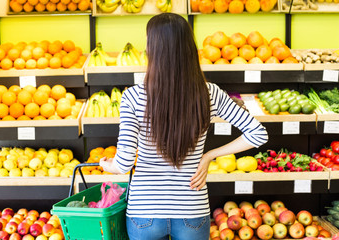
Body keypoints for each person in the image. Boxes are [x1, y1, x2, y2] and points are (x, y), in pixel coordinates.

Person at [100, 13, 268, 240]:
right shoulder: (209, 93)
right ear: (189, 48)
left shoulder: (133, 97)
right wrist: (209, 156)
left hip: (144, 212)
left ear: (153, 50)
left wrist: (107, 165)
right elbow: (258, 133)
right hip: (191, 209)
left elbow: (123, 164)